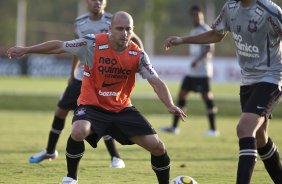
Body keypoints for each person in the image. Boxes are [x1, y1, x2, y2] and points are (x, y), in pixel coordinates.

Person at [7, 11, 187, 184]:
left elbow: (156, 81)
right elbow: (59, 46)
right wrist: (26, 49)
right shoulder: (91, 44)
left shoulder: (137, 54)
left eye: (128, 29)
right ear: (110, 28)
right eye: (120, 28)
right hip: (91, 106)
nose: (124, 33)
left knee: (157, 147)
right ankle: (71, 177)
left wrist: (170, 104)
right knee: (78, 131)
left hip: (121, 109)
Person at [164, 0, 282, 183]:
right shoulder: (230, 7)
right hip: (248, 80)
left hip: (271, 78)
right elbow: (217, 35)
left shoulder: (269, 11)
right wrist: (182, 40)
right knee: (260, 139)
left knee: (244, 128)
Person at [28, 0, 143, 168]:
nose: (97, 2)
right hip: (83, 76)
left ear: (106, 2)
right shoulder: (79, 22)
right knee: (61, 111)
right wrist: (72, 73)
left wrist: (136, 63)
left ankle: (115, 157)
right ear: (87, 2)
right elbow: (77, 48)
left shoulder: (115, 21)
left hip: (104, 78)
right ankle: (50, 150)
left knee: (102, 114)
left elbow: (135, 41)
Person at [160, 5, 219, 137]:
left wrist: (198, 60)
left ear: (202, 15)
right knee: (181, 95)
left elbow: (209, 48)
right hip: (193, 73)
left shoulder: (205, 29)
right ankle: (174, 127)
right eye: (194, 15)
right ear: (191, 17)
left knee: (207, 98)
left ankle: (213, 130)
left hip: (203, 72)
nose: (196, 17)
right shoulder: (194, 30)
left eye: (198, 15)